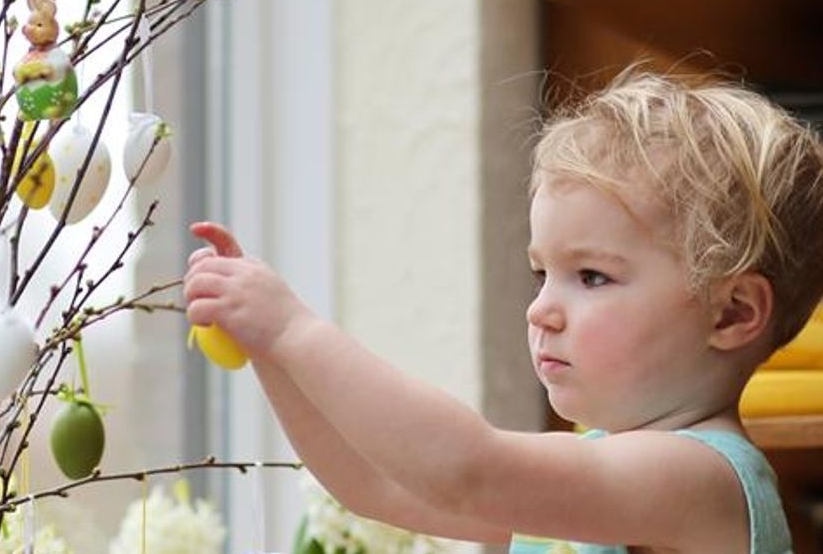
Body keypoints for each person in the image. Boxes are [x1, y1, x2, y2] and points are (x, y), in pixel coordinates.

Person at [182, 70, 823, 553]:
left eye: (592, 276)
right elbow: (373, 484)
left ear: (731, 313)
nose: (542, 310)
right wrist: (267, 347)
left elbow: (466, 469)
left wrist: (295, 329)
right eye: (543, 273)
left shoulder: (697, 478)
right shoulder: (601, 467)